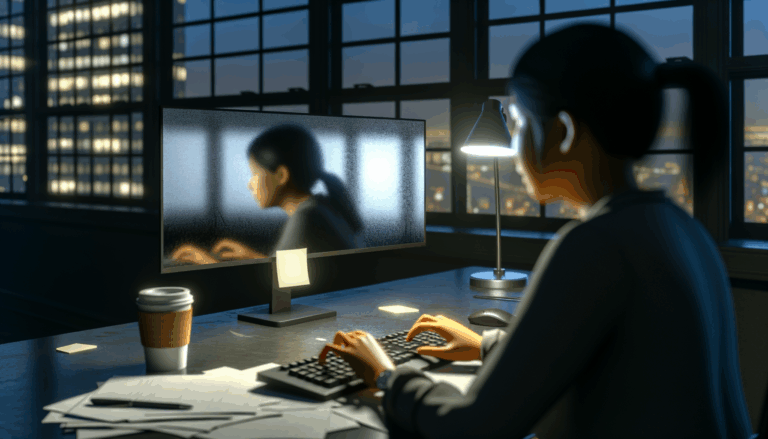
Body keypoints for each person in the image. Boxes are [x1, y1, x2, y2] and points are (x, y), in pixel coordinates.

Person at [317, 24, 755, 439]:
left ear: (563, 132)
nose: (514, 142)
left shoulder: (597, 244)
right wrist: (488, 346)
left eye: (521, 124)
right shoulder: (679, 228)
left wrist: (387, 375)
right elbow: (616, 357)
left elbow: (471, 429)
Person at [171, 124, 364, 265]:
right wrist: (253, 257)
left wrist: (208, 263)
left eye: (255, 174)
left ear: (281, 175)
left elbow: (283, 285)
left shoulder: (306, 216)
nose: (250, 184)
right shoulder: (318, 207)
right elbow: (295, 270)